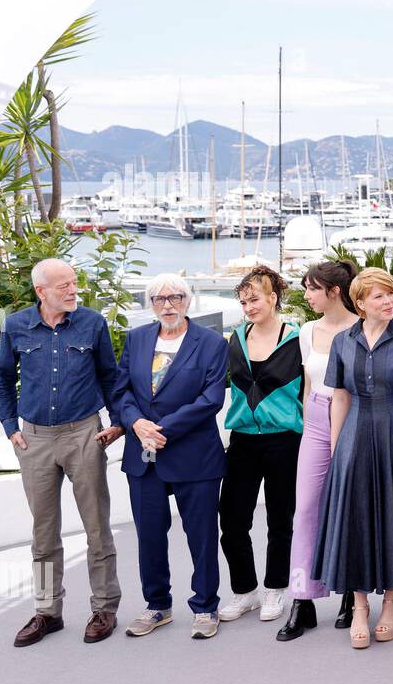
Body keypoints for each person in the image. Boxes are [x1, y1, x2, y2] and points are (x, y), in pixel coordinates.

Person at [0, 258, 124, 647]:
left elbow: (110, 375)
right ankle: (48, 612)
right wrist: (10, 428)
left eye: (73, 283)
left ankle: (105, 608)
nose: (72, 290)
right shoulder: (16, 325)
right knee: (43, 533)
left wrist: (116, 422)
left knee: (97, 527)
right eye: (63, 285)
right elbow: (2, 378)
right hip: (33, 440)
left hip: (83, 433)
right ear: (41, 291)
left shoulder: (92, 323)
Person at [313, 267, 393, 648]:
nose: (389, 302)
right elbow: (339, 397)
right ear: (361, 302)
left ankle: (392, 602)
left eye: (391, 295)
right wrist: (337, 450)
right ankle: (359, 606)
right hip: (354, 433)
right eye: (380, 296)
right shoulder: (342, 341)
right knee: (356, 517)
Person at [114, 274, 229, 640]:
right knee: (149, 534)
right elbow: (122, 391)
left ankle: (206, 606)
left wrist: (160, 430)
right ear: (150, 304)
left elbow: (211, 398)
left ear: (188, 301)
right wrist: (136, 424)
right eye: (159, 298)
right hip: (143, 454)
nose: (168, 304)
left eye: (176, 297)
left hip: (194, 454)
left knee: (202, 534)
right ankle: (157, 605)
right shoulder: (137, 338)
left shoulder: (210, 343)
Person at [278, 259, 360, 641]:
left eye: (312, 288)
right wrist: (311, 422)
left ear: (334, 291)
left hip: (355, 420)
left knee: (348, 507)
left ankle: (350, 592)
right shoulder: (306, 331)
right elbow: (308, 384)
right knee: (306, 510)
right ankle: (302, 599)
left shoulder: (361, 328)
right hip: (315, 421)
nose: (306, 295)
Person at [218, 265, 303, 624]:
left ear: (273, 297)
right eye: (243, 301)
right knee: (232, 519)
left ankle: (275, 589)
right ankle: (244, 590)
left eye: (254, 299)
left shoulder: (298, 337)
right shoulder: (235, 338)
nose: (249, 306)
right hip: (243, 440)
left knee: (280, 518)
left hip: (285, 440)